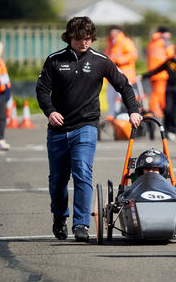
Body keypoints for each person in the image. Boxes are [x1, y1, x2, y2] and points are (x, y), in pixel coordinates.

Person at [36, 17, 142, 243]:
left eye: (87, 38)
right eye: (78, 39)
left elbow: (124, 85)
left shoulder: (101, 61)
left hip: (86, 127)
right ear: (69, 37)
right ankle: (59, 216)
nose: (83, 43)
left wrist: (133, 110)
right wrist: (50, 111)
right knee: (57, 180)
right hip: (58, 129)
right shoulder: (54, 60)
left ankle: (81, 224)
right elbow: (42, 90)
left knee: (82, 173)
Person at [141, 45, 176, 138]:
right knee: (168, 110)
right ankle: (167, 129)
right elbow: (156, 70)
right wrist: (143, 76)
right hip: (169, 89)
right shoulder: (169, 63)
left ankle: (174, 130)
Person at [104, 25, 138, 117]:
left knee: (125, 100)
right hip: (111, 77)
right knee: (110, 100)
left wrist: (119, 60)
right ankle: (112, 120)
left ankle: (125, 120)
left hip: (125, 76)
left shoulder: (125, 42)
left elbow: (133, 55)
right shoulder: (110, 43)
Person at [146, 27, 175, 117]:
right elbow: (171, 56)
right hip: (162, 73)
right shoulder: (164, 42)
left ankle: (153, 110)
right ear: (164, 33)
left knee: (154, 93)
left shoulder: (151, 43)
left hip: (152, 72)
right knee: (160, 95)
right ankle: (158, 112)